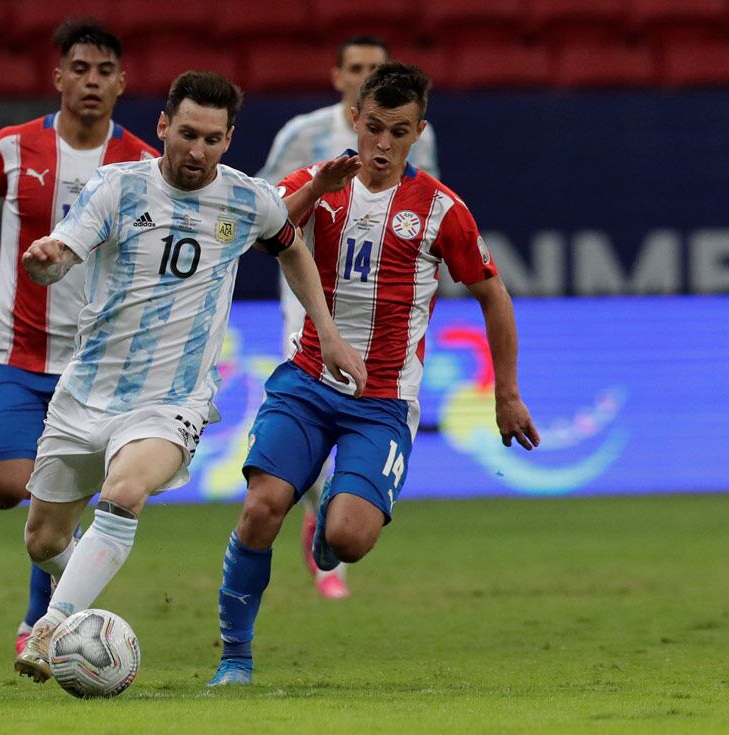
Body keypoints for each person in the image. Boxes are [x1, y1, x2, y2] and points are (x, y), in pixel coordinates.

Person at [12, 70, 368, 684]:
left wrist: (328, 332)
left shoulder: (244, 198)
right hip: (87, 391)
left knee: (124, 494)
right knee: (43, 541)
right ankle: (85, 612)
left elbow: (289, 244)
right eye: (186, 134)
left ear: (228, 140)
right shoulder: (117, 188)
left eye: (211, 139)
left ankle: (51, 631)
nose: (196, 151)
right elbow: (64, 252)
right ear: (163, 128)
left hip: (172, 399)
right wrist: (47, 263)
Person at [209, 62, 541, 686]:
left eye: (398, 131)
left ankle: (335, 523)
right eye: (374, 128)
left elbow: (493, 294)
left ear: (419, 133)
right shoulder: (321, 180)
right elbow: (263, 234)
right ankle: (234, 655)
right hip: (306, 381)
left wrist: (508, 393)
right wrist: (314, 189)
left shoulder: (442, 210)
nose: (382, 145)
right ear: (354, 120)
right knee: (260, 510)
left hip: (383, 401)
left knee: (351, 539)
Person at [0, 20, 158, 656]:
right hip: (16, 350)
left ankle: (40, 620)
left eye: (104, 71)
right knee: (5, 487)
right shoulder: (11, 148)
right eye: (80, 69)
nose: (91, 81)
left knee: (57, 495)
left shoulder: (143, 165)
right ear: (58, 76)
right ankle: (83, 586)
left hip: (97, 365)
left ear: (122, 82)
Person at [257, 35, 440, 599]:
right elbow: (265, 208)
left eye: (375, 67)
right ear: (338, 78)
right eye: (356, 68)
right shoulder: (302, 136)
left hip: (379, 306)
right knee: (306, 415)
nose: (365, 74)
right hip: (311, 294)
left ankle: (335, 514)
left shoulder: (410, 138)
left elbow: (426, 206)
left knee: (356, 414)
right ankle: (315, 508)